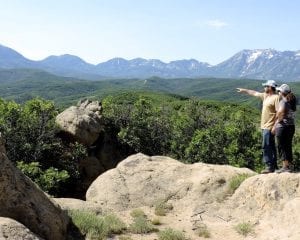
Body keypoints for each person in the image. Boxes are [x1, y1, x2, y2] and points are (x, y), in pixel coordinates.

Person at [237, 80, 280, 173]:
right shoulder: (265, 96)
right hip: (264, 126)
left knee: (266, 146)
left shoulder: (276, 97)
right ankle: (274, 166)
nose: (264, 88)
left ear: (270, 87)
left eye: (266, 86)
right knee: (271, 146)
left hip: (269, 126)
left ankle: (269, 166)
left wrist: (274, 126)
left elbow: (279, 113)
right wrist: (244, 90)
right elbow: (254, 93)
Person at [272, 84, 296, 173]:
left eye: (279, 91)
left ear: (282, 92)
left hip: (283, 127)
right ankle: (289, 166)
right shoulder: (291, 101)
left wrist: (275, 125)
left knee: (282, 146)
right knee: (288, 146)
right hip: (291, 126)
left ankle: (285, 167)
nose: (278, 92)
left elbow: (281, 114)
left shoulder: (283, 101)